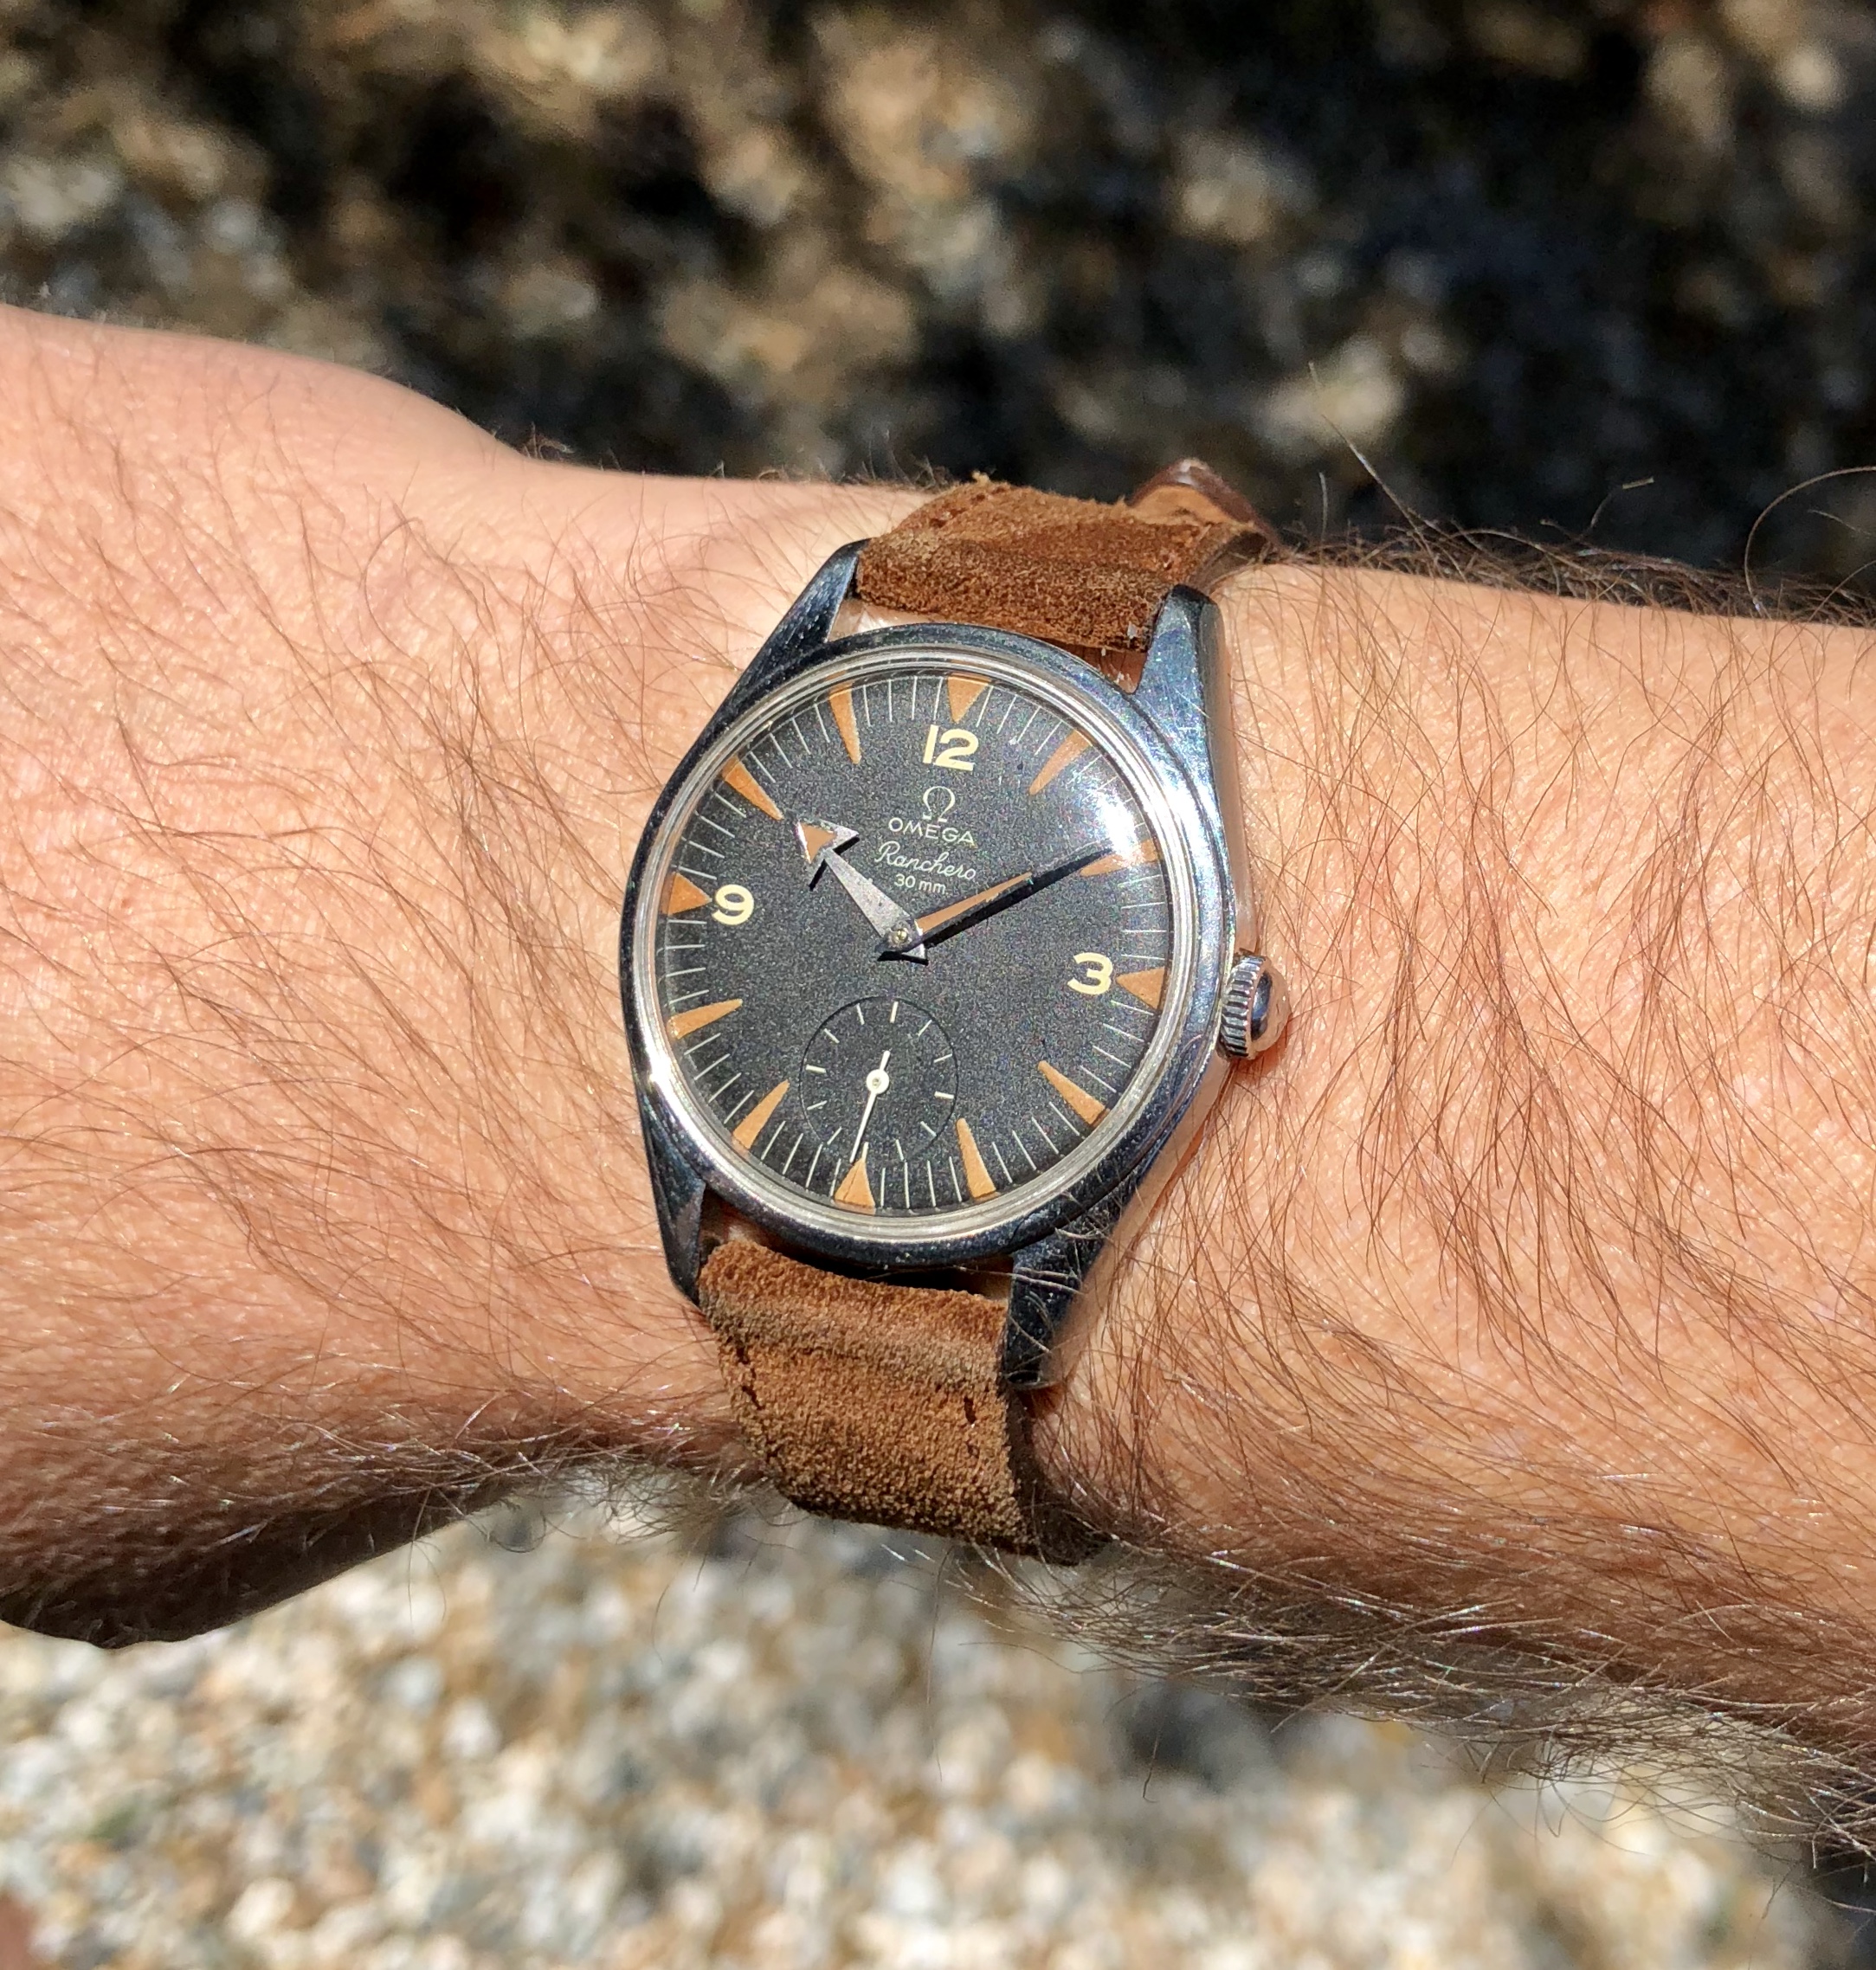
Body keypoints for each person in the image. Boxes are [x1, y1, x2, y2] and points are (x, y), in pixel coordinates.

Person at [3, 301, 1872, 1833]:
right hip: (783, 1076)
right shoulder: (847, 675)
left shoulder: (1146, 940)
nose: (908, 942)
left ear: (1237, 1004)